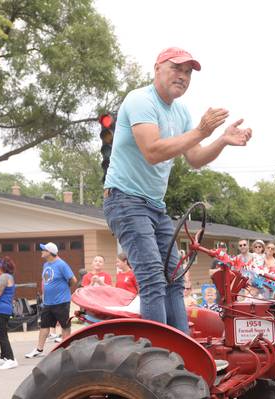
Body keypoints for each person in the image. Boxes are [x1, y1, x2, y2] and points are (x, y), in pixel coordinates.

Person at [102, 46, 251, 333]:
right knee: (152, 279)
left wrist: (220, 140)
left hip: (155, 207)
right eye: (176, 69)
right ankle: (158, 357)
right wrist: (201, 131)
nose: (182, 76)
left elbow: (195, 159)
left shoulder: (180, 112)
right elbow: (153, 151)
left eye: (187, 72)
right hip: (125, 200)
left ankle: (182, 353)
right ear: (157, 68)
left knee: (174, 276)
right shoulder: (140, 100)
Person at [25, 243, 76, 358]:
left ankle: (66, 349)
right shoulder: (46, 265)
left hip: (61, 301)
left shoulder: (61, 264)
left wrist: (64, 289)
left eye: (43, 250)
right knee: (44, 326)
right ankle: (39, 349)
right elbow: (45, 281)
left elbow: (73, 280)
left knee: (65, 326)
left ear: (50, 252)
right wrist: (44, 295)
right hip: (48, 302)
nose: (41, 251)